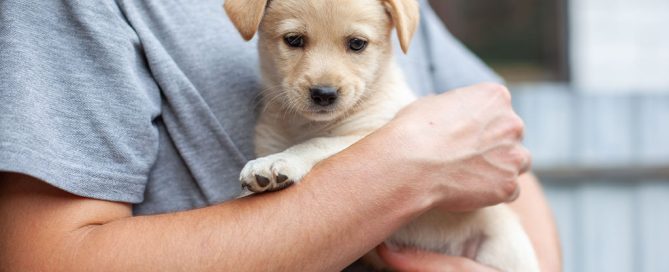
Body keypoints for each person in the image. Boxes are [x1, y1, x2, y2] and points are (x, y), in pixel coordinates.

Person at [0, 0, 561, 271]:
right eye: (293, 40)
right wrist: (407, 163)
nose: (322, 80)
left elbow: (502, 146)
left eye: (356, 46)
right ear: (259, 29)